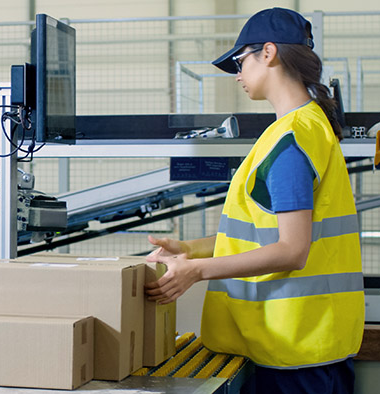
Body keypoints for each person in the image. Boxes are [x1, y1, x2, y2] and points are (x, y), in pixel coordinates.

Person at [145, 7, 364, 394]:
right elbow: (264, 235)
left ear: (268, 53)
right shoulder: (302, 128)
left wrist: (197, 272)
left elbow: (291, 250)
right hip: (302, 345)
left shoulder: (291, 141)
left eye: (239, 62)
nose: (238, 76)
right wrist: (188, 250)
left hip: (297, 356)